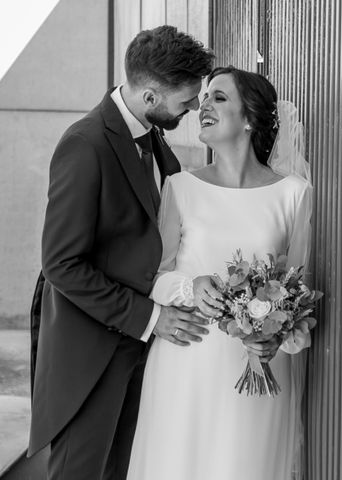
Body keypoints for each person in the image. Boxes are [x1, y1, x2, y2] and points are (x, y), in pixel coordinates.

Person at [28, 25, 215, 479]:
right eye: (186, 99)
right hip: (91, 353)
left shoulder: (152, 133)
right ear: (150, 95)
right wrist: (152, 318)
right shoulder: (85, 144)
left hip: (138, 350)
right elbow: (61, 264)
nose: (193, 108)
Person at [126, 67, 314, 480]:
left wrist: (281, 339)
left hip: (260, 368)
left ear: (249, 118)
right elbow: (153, 276)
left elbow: (301, 289)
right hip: (187, 358)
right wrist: (189, 286)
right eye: (204, 97)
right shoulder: (180, 187)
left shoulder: (294, 194)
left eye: (218, 97)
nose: (203, 105)